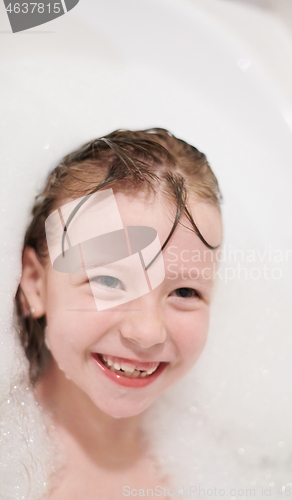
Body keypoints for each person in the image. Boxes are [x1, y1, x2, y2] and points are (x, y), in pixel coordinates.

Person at [15, 128, 223, 499]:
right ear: (35, 283)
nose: (147, 332)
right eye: (108, 281)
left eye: (185, 292)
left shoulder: (226, 457)